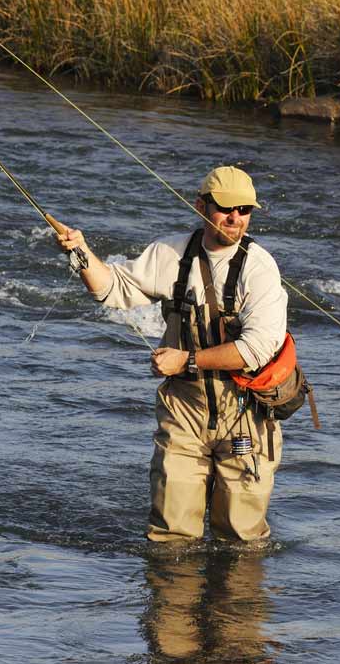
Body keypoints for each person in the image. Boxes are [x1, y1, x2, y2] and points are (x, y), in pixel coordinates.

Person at [55, 166, 288, 542]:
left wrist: (186, 361)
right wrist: (80, 253)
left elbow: (256, 350)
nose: (235, 218)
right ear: (200, 206)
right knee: (171, 539)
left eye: (244, 210)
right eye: (226, 208)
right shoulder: (169, 254)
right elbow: (112, 290)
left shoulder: (260, 268)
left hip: (246, 413)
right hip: (184, 411)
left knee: (241, 541)